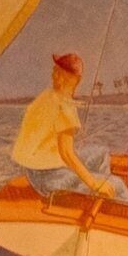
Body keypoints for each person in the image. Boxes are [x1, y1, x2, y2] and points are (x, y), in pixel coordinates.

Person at [12, 52, 117, 200]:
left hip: (34, 172)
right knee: (116, 184)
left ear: (73, 79)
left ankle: (100, 199)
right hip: (48, 178)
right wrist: (95, 184)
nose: (54, 76)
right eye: (55, 72)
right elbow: (67, 154)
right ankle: (102, 196)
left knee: (102, 153)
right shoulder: (64, 106)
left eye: (58, 72)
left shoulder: (49, 95)